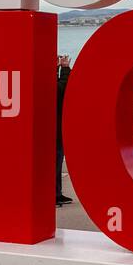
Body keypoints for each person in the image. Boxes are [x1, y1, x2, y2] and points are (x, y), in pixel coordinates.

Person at [56, 54, 72, 206]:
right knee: (55, 161)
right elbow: (62, 89)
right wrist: (65, 68)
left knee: (56, 161)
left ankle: (56, 193)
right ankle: (54, 194)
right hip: (54, 129)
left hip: (53, 128)